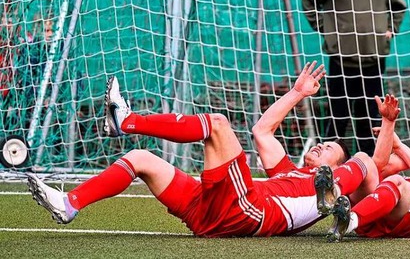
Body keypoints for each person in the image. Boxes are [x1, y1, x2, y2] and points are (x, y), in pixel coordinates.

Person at [27, 62, 380, 237]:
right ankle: (70, 204)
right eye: (322, 141)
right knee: (141, 159)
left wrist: (357, 208)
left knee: (218, 124)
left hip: (248, 212)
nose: (321, 144)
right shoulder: (289, 170)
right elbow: (261, 131)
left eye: (330, 145)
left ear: (337, 166)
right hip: (212, 212)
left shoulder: (340, 178)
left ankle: (127, 121)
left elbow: (370, 163)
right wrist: (298, 93)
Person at [301, 0, 407, 156]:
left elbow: (399, 7)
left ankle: (370, 162)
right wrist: (324, 27)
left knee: (370, 113)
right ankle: (327, 162)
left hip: (373, 57)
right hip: (341, 57)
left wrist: (391, 28)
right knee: (337, 112)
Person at [319, 93, 410, 241]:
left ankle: (348, 219)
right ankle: (335, 194)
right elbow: (384, 164)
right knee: (365, 160)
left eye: (327, 147)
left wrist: (395, 138)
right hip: (371, 215)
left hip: (394, 218)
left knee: (391, 177)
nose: (319, 145)